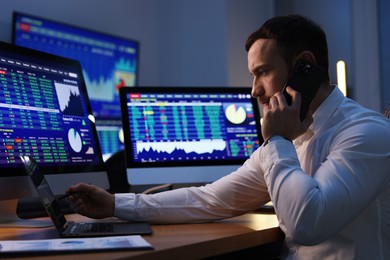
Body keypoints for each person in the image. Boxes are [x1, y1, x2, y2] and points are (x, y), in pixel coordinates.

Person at [67, 14, 390, 259]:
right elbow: (209, 200)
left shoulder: (366, 133)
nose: (254, 91)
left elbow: (307, 224)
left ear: (304, 66)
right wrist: (115, 204)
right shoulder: (288, 138)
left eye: (262, 72)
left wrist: (277, 141)